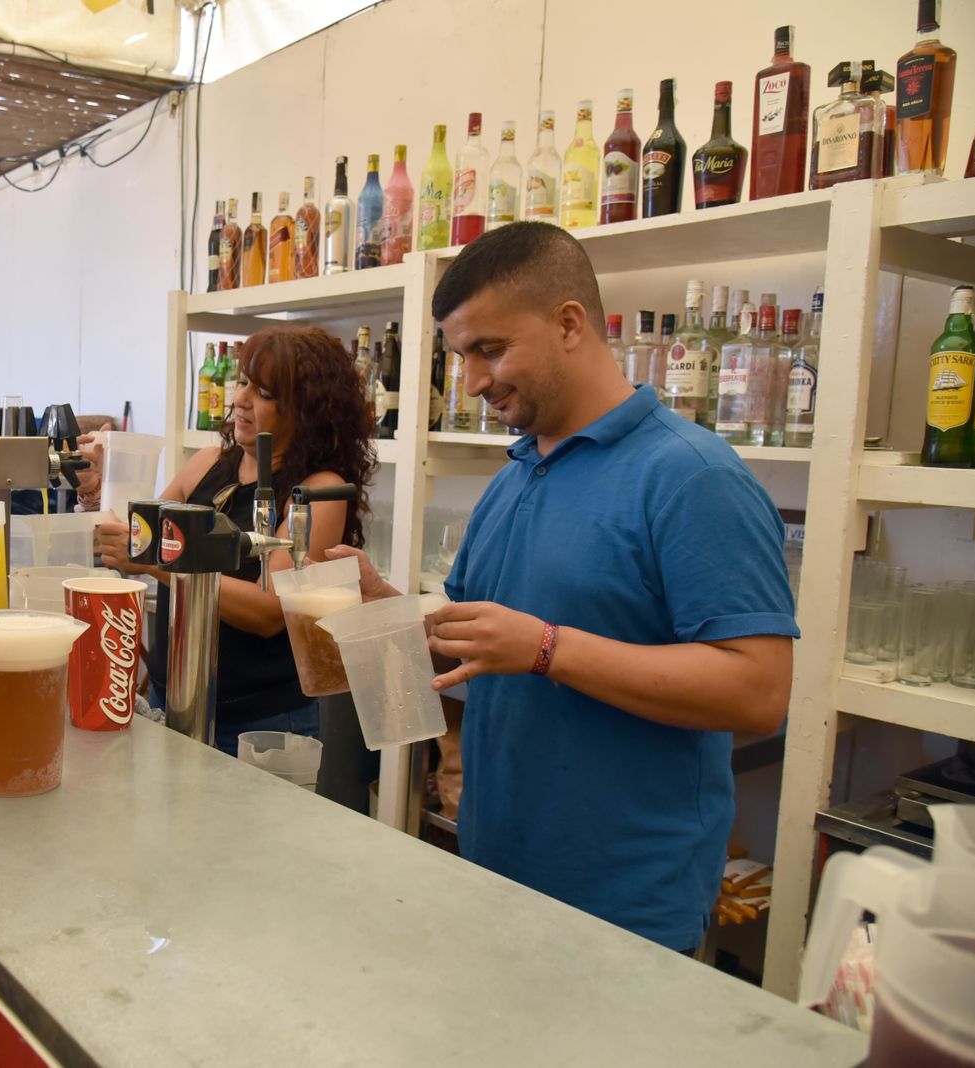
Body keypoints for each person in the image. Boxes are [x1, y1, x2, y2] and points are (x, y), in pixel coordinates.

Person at [332, 222, 796, 953]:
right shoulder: (514, 477)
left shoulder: (691, 476)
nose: (476, 381)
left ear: (570, 323)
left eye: (491, 349)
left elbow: (759, 692)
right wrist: (384, 611)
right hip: (495, 873)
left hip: (626, 907)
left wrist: (547, 648)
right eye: (462, 358)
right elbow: (472, 646)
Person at [91, 326, 377, 758]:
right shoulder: (209, 463)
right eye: (243, 382)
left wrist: (153, 564)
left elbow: (268, 611)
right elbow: (139, 533)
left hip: (258, 723)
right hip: (177, 700)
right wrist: (101, 486)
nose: (240, 400)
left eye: (263, 392)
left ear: (307, 409)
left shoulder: (318, 490)